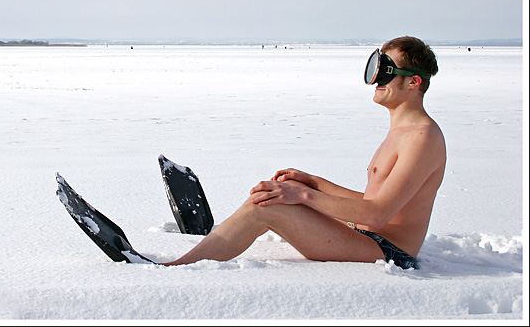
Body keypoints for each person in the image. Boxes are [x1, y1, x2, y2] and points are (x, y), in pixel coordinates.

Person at [162, 36, 444, 269]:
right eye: (376, 69)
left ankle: (178, 268)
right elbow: (375, 202)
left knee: (268, 206)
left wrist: (304, 196)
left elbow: (379, 214)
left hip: (389, 252)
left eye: (385, 71)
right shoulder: (404, 132)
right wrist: (311, 183)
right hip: (369, 235)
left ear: (413, 82)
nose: (376, 80)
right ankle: (217, 240)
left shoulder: (422, 137)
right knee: (286, 187)